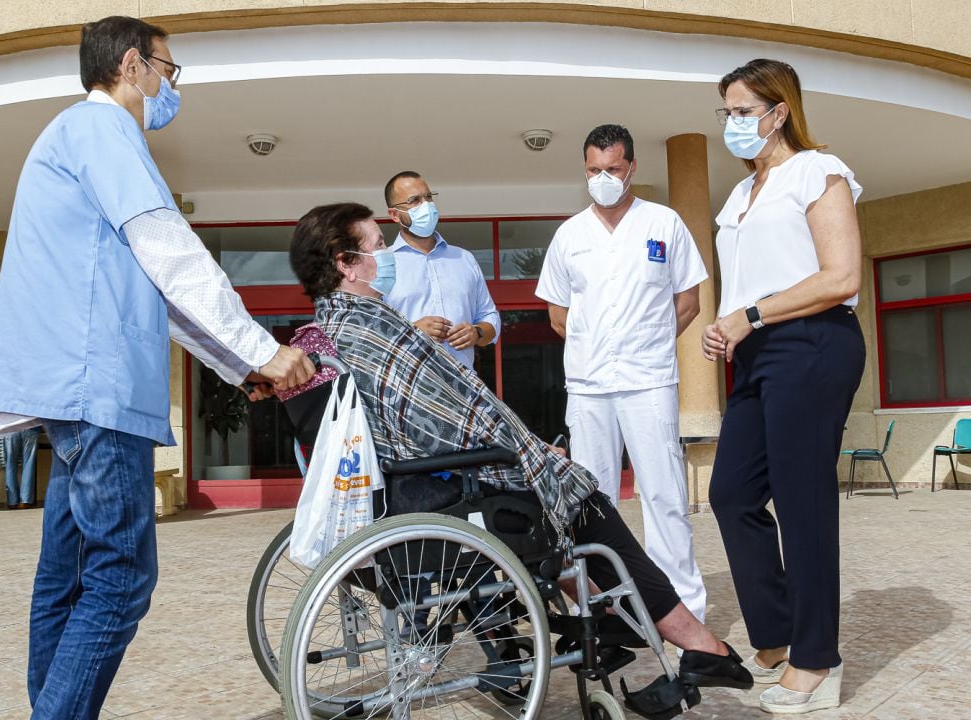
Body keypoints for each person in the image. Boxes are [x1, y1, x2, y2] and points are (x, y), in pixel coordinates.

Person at [0, 16, 314, 719]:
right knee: (122, 578)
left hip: (67, 393)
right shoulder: (103, 130)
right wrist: (266, 349)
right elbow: (168, 250)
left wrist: (235, 363)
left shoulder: (70, 136)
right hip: (95, 389)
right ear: (133, 64)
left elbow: (152, 288)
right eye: (169, 70)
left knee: (66, 581)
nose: (170, 87)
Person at [286, 201, 754, 691]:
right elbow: (440, 424)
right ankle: (700, 645)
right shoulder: (372, 330)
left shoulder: (334, 330)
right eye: (378, 246)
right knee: (583, 501)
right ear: (345, 262)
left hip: (416, 487)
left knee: (561, 495)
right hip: (445, 491)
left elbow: (441, 417)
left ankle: (618, 618)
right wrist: (526, 454)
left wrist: (523, 449)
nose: (388, 254)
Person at [702, 58, 866, 714]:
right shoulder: (740, 194)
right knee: (731, 492)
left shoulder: (817, 172)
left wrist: (753, 313)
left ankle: (818, 661)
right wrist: (729, 324)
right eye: (727, 112)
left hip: (813, 342)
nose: (733, 123)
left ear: (780, 111)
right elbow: (750, 281)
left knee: (802, 502)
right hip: (756, 351)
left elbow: (841, 276)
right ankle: (775, 641)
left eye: (743, 110)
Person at [535, 124, 710, 622]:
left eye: (612, 169)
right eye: (594, 170)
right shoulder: (569, 235)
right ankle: (606, 607)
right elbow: (557, 313)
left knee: (664, 494)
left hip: (650, 381)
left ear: (632, 167)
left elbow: (689, 300)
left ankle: (684, 608)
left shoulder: (665, 223)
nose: (603, 178)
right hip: (590, 388)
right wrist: (597, 346)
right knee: (593, 499)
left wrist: (646, 341)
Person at [382, 171, 500, 369]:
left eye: (428, 197)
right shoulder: (381, 263)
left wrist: (477, 332)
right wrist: (411, 332)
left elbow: (490, 317)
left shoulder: (464, 259)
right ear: (394, 214)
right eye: (414, 200)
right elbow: (367, 332)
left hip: (463, 389)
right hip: (407, 390)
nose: (426, 205)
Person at [4, 426, 41, 509]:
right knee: (29, 463)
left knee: (10, 464)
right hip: (31, 426)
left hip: (10, 426)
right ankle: (25, 500)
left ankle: (12, 501)